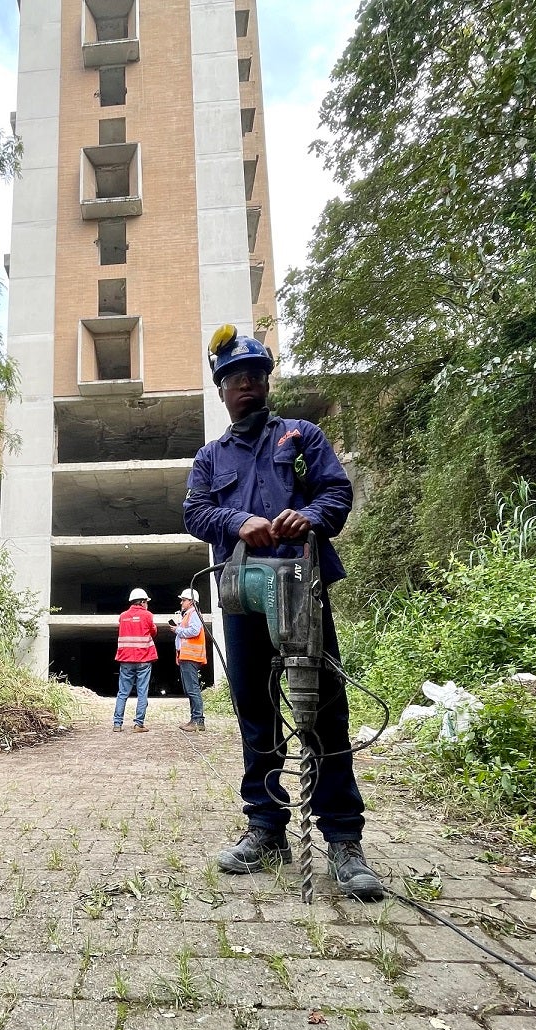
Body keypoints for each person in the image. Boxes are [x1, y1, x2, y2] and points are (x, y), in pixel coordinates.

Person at [181, 325, 382, 900]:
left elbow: (336, 494)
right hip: (243, 595)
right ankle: (267, 829)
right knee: (255, 711)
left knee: (322, 708)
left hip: (300, 588)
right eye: (234, 378)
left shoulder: (301, 435)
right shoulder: (209, 457)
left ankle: (343, 839)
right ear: (221, 389)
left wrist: (310, 516)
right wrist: (235, 521)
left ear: (266, 381)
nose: (246, 385)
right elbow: (195, 512)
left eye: (255, 375)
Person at [112, 587, 157, 732]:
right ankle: (139, 724)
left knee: (122, 692)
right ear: (143, 602)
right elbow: (153, 632)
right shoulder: (148, 615)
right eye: (146, 602)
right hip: (143, 660)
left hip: (125, 660)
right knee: (142, 691)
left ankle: (117, 724)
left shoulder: (122, 616)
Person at [169, 588, 207, 732]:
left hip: (191, 656)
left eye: (183, 600)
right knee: (190, 689)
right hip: (186, 656)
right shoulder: (188, 614)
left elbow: (194, 631)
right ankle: (194, 719)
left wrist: (178, 630)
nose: (181, 602)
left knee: (193, 689)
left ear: (191, 602)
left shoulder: (194, 613)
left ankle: (198, 720)